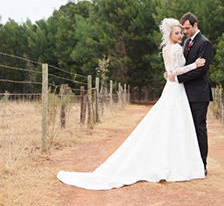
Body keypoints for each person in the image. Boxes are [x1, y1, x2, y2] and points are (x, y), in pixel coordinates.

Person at [57, 18, 206, 190]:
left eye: (181, 32)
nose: (180, 36)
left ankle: (170, 158)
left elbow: (169, 72)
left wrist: (170, 74)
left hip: (171, 87)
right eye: (177, 33)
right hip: (176, 88)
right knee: (175, 123)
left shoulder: (166, 49)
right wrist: (194, 65)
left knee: (169, 122)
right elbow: (177, 71)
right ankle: (176, 162)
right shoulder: (177, 48)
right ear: (170, 34)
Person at [165, 12, 213, 175]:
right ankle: (188, 162)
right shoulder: (186, 42)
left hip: (199, 94)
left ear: (195, 25)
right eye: (182, 29)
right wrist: (171, 73)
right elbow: (178, 64)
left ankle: (202, 164)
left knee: (199, 128)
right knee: (186, 129)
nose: (184, 32)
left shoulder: (204, 43)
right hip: (184, 93)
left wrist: (177, 78)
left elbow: (201, 71)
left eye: (186, 28)